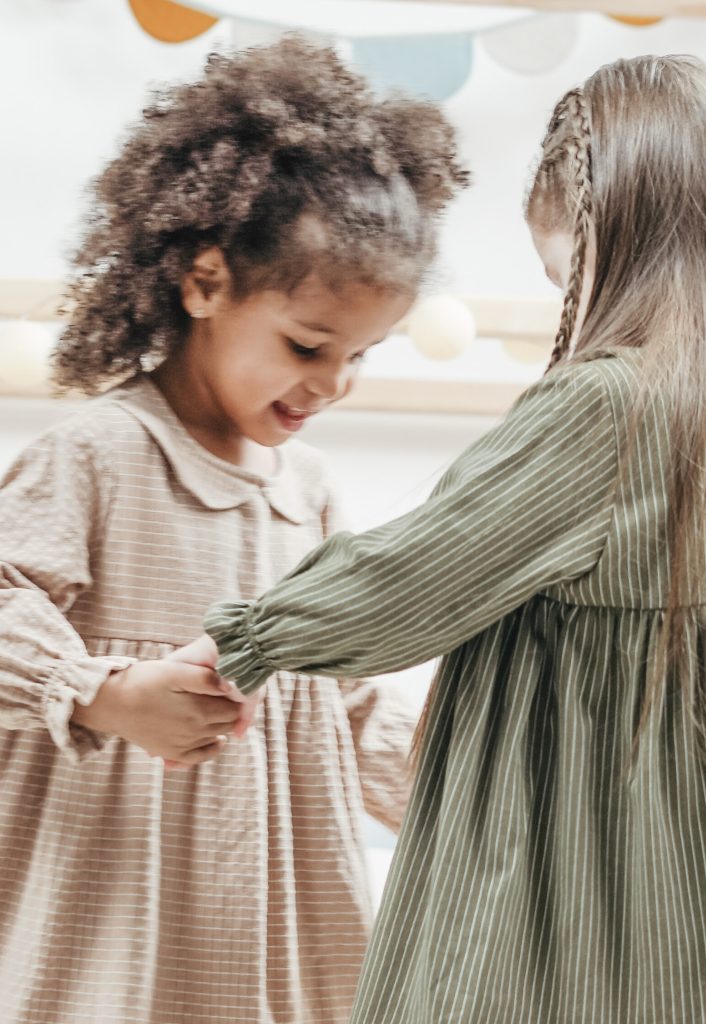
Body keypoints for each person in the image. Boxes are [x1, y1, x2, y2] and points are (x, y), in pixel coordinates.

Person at [205, 55, 706, 1023]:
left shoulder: (611, 404)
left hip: (561, 859)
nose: (572, 312)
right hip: (690, 870)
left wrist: (244, 639)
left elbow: (415, 574)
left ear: (610, 246)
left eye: (566, 280)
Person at [0, 36, 468, 1024]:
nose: (334, 384)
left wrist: (459, 776)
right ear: (207, 282)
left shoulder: (311, 488)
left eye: (360, 357)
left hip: (277, 923)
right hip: (113, 903)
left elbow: (337, 712)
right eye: (308, 346)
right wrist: (104, 692)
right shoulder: (97, 454)